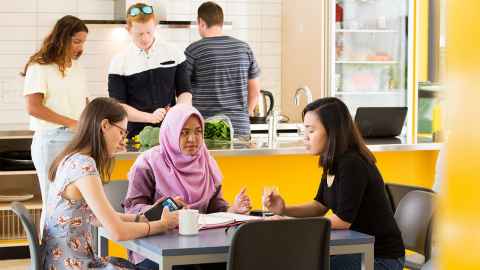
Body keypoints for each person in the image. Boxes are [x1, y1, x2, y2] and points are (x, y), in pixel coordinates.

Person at [264, 97, 405, 270]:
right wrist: (285, 209)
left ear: (332, 132)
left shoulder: (352, 163)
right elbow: (319, 205)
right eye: (304, 130)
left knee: (299, 262)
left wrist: (290, 223)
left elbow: (342, 221)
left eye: (311, 130)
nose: (305, 137)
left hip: (380, 259)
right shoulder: (333, 161)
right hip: (359, 252)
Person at [41, 97, 178, 269]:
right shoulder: (84, 165)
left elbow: (99, 217)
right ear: (105, 125)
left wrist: (140, 218)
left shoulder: (69, 159)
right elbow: (118, 231)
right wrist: (162, 225)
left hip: (60, 262)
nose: (123, 140)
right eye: (122, 132)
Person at [124, 104, 251, 269]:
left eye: (198, 131)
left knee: (238, 262)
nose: (193, 139)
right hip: (155, 248)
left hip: (201, 246)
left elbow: (214, 207)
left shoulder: (206, 161)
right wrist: (162, 210)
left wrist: (232, 209)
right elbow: (132, 209)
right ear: (171, 133)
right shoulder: (148, 162)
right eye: (184, 133)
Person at [22, 15, 89, 230]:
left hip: (76, 141)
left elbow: (84, 103)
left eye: (83, 42)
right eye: (76, 41)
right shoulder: (39, 67)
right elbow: (33, 107)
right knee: (54, 203)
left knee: (74, 203)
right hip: (51, 142)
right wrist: (71, 122)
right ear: (62, 38)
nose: (80, 48)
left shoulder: (76, 68)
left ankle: (69, 258)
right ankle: (47, 261)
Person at [108, 3, 192, 138]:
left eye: (149, 32)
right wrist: (150, 117)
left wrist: (177, 112)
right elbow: (118, 107)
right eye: (139, 34)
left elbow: (185, 92)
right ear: (128, 29)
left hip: (171, 132)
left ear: (155, 26)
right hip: (134, 136)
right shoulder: (119, 62)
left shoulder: (174, 52)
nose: (145, 38)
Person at [185, 1, 261, 139]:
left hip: (206, 129)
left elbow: (183, 92)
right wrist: (245, 114)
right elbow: (255, 92)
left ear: (201, 22)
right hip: (240, 128)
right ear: (221, 22)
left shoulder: (194, 50)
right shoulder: (244, 48)